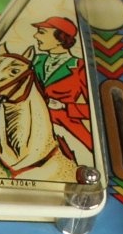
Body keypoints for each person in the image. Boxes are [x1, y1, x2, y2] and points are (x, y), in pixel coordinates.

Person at [21, 16, 92, 153]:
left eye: (41, 32)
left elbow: (94, 110)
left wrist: (65, 106)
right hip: (29, 119)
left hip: (63, 123)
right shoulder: (33, 60)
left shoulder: (79, 67)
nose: (35, 36)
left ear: (60, 38)